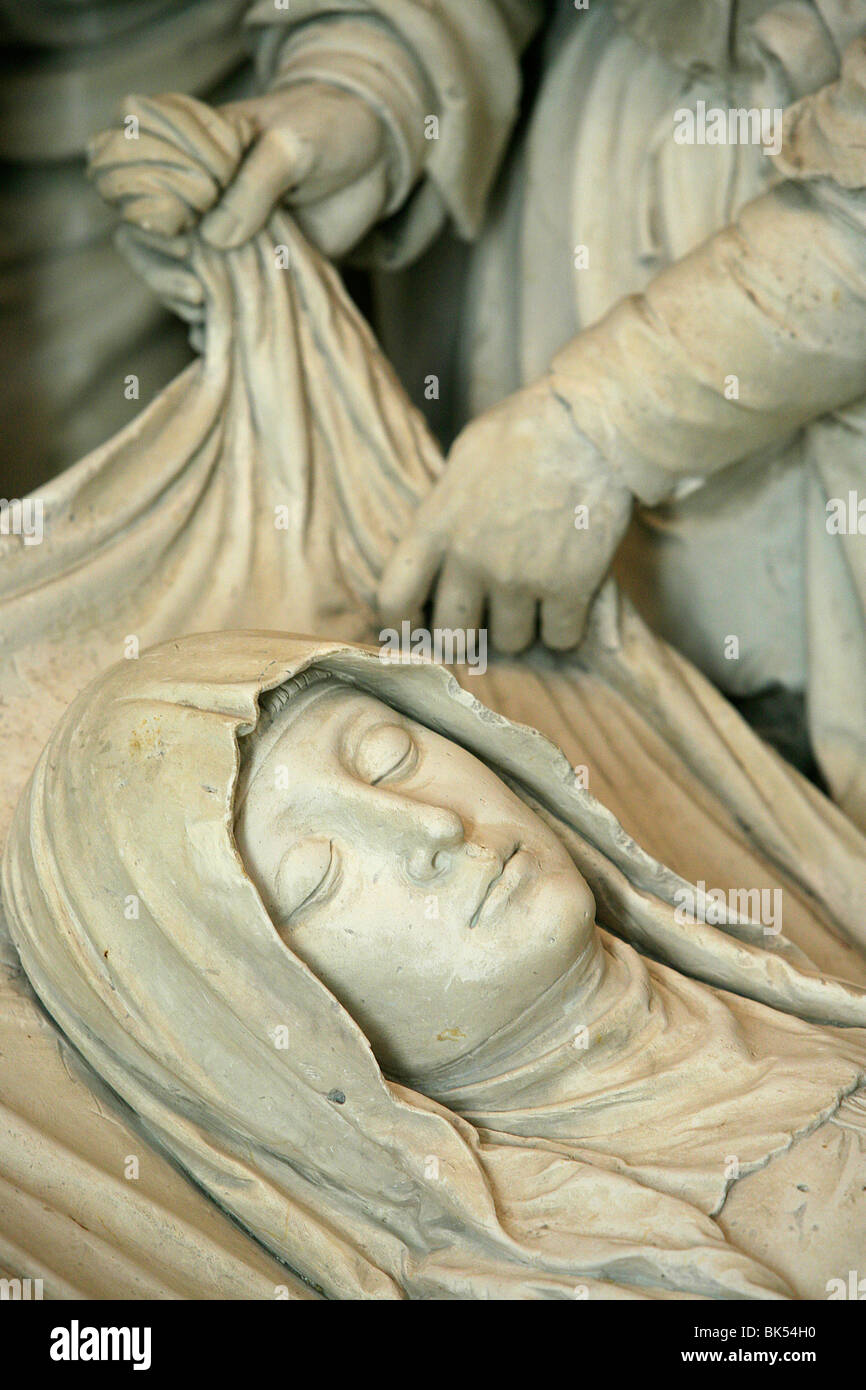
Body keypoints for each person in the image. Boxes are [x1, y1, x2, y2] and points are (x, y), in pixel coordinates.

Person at [101, 0, 866, 823]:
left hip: (814, 297)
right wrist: (365, 88)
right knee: (589, 767)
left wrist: (598, 426)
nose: (430, 834)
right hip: (575, 167)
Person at [4, 630, 866, 1298]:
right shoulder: (628, 1265)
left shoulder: (802, 1011)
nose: (430, 829)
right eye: (316, 881)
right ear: (267, 1048)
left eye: (389, 755)